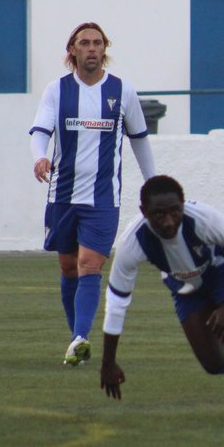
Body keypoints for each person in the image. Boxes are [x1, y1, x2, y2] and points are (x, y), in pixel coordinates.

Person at [97, 175, 224, 421]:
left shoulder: (203, 219)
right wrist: (108, 362)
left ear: (183, 205)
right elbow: (117, 301)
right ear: (144, 211)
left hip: (222, 271)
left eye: (175, 212)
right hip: (185, 287)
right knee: (213, 363)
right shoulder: (132, 242)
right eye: (158, 214)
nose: (168, 222)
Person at [29, 22, 155, 366]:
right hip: (62, 195)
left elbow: (139, 139)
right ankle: (77, 339)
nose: (92, 48)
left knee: (90, 264)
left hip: (102, 199)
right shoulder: (56, 90)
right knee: (69, 266)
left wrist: (153, 184)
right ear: (72, 50)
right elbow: (40, 131)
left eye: (97, 43)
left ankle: (81, 337)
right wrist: (39, 156)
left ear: (104, 49)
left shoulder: (122, 91)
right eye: (84, 43)